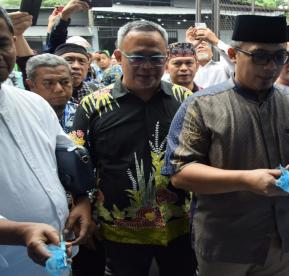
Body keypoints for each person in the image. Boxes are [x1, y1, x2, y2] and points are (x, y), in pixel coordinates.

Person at [163, 15, 289, 276]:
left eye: (280, 57)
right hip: (226, 242)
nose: (270, 66)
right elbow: (180, 172)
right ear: (233, 54)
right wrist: (246, 180)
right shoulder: (201, 105)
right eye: (259, 56)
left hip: (285, 236)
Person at [70, 20, 195, 276]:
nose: (147, 67)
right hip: (119, 229)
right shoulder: (93, 106)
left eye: (156, 58)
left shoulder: (186, 101)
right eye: (137, 57)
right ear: (118, 56)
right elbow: (79, 161)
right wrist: (81, 201)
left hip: (180, 224)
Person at [0, 7, 91, 275]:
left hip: (57, 255)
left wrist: (82, 198)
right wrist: (20, 232)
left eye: (3, 42)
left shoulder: (33, 103)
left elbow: (67, 155)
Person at [25, 54, 76, 133]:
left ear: (72, 81)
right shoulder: (22, 117)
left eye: (65, 82)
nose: (59, 89)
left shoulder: (85, 114)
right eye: (48, 83)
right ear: (31, 85)